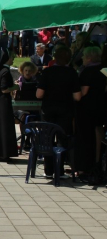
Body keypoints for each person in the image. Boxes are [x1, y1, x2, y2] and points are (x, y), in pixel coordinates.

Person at [36, 47, 81, 179]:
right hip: (65, 111)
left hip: (48, 110)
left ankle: (48, 170)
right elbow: (77, 97)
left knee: (47, 139)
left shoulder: (48, 72)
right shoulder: (72, 73)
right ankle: (59, 170)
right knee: (62, 140)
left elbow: (39, 94)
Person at [75, 46, 107, 185]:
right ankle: (97, 163)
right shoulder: (103, 70)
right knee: (98, 134)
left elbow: (83, 92)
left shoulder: (87, 71)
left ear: (89, 57)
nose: (82, 58)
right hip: (100, 107)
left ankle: (84, 168)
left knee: (85, 138)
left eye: (83, 56)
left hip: (87, 109)